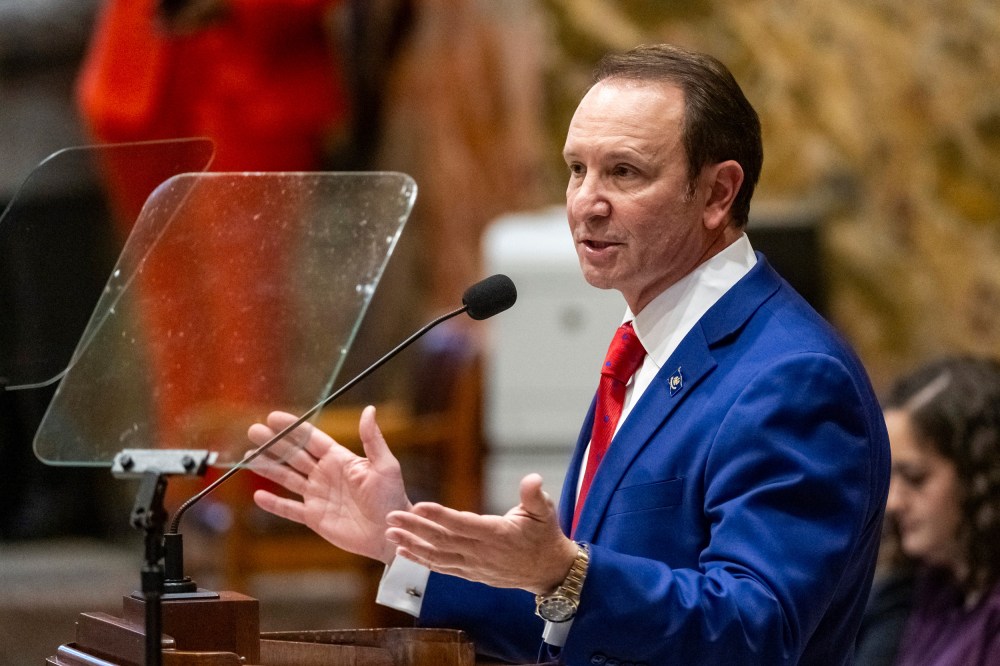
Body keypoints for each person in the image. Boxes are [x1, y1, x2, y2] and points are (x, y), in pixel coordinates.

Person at [247, 44, 890, 664]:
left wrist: (568, 573)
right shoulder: (649, 345)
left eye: (624, 171)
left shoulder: (793, 378)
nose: (586, 202)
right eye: (577, 169)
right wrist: (404, 543)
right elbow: (576, 626)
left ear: (718, 193)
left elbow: (756, 633)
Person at [880, 356, 1000, 665]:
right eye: (890, 477)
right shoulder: (937, 586)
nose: (893, 502)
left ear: (977, 474)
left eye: (915, 477)